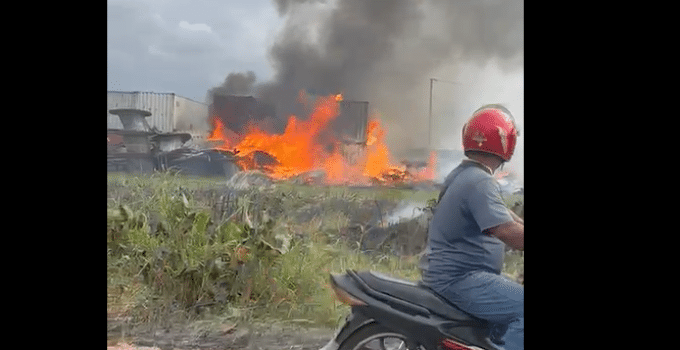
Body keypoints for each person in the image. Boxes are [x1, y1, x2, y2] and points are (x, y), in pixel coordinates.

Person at [421, 104, 524, 349]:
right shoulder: (479, 181)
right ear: (504, 143)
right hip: (462, 278)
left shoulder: (465, 174)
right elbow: (507, 231)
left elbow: (508, 218)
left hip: (458, 275)